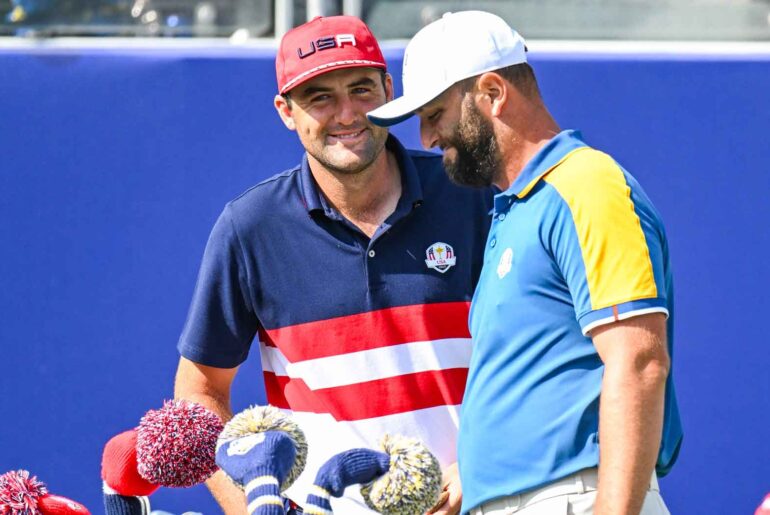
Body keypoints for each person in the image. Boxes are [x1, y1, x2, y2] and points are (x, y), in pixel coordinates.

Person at [173, 15, 492, 515]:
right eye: (320, 97)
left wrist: (484, 464)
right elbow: (199, 393)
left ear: (390, 89)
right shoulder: (249, 227)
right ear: (286, 111)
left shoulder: (472, 196)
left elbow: (544, 357)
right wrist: (252, 505)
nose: (347, 113)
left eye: (362, 89)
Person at [368, 10, 683, 515]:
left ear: (492, 93)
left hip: (576, 497)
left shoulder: (586, 184)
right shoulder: (520, 208)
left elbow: (639, 362)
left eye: (435, 114)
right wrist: (477, 469)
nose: (426, 139)